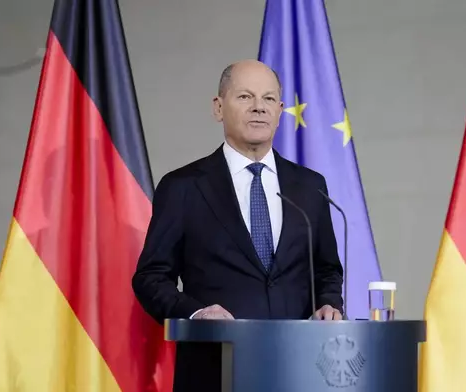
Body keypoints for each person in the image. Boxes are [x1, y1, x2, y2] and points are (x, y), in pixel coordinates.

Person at [132, 59, 344, 391]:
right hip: (214, 371)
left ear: (280, 110)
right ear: (218, 107)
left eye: (269, 99)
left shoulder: (310, 186)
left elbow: (328, 270)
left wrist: (329, 304)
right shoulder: (184, 186)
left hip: (298, 369)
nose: (259, 108)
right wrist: (197, 314)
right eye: (245, 97)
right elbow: (150, 278)